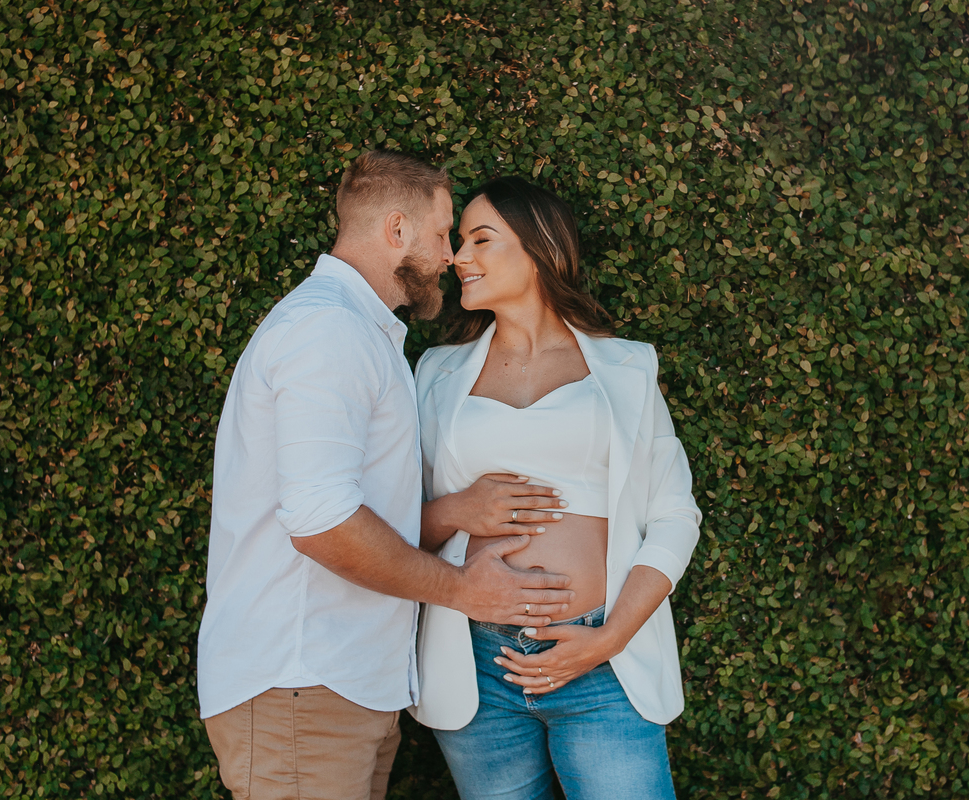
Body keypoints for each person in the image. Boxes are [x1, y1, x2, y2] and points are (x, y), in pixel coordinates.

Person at [196, 152, 575, 800]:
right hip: (301, 687)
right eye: (439, 233)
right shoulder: (327, 331)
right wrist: (462, 591)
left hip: (340, 691)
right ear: (395, 231)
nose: (449, 256)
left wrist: (454, 512)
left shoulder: (364, 336)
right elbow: (322, 523)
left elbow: (357, 514)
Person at [411, 176, 701, 799]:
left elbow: (675, 515)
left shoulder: (626, 367)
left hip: (603, 663)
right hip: (477, 664)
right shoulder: (435, 374)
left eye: (480, 239)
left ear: (540, 247)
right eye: (459, 242)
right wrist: (457, 510)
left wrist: (609, 637)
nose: (458, 257)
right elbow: (396, 528)